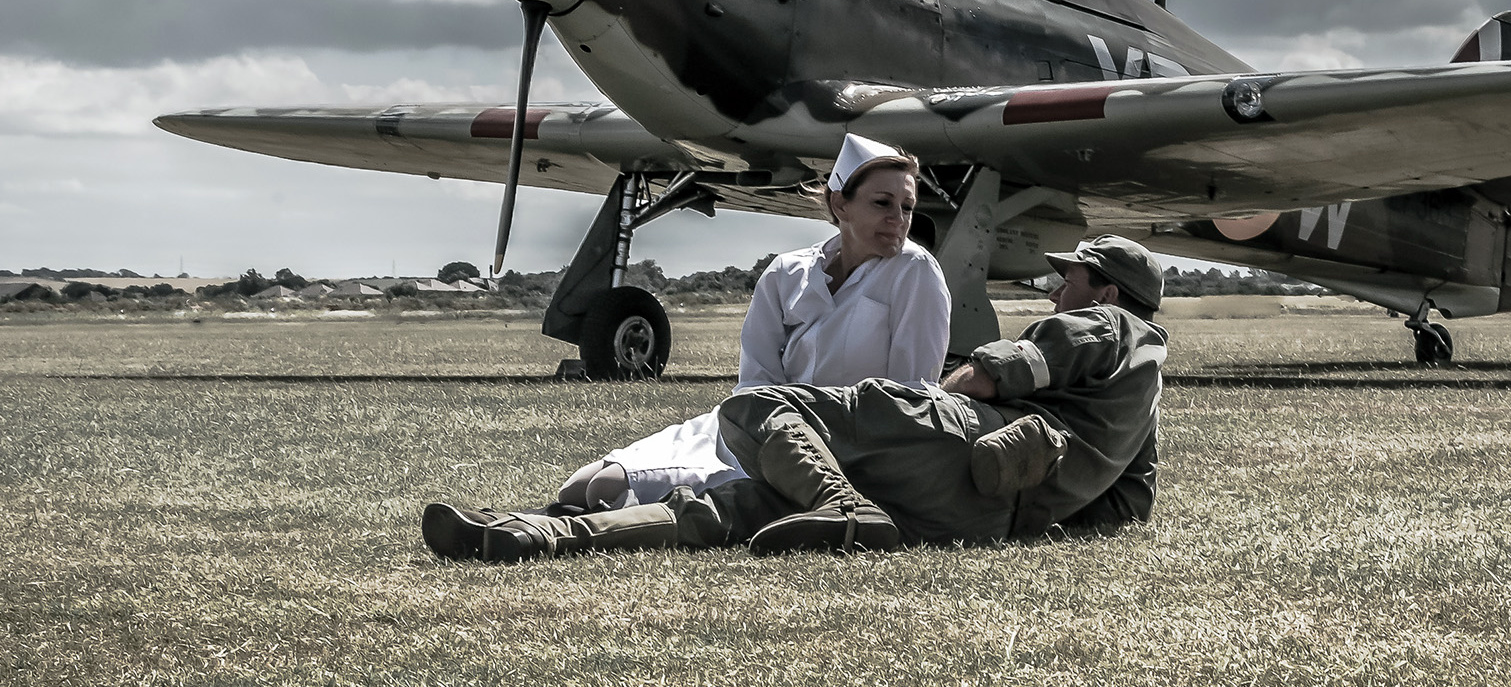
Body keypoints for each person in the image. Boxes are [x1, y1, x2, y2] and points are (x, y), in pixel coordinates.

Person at [422, 235, 1166, 561]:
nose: (1056, 291)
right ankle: (533, 535)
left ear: (1105, 293)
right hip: (975, 514)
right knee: (737, 511)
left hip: (956, 440)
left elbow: (994, 374)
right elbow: (1127, 507)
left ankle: (843, 508)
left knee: (752, 410)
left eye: (1070, 279)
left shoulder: (1107, 322)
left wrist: (935, 406)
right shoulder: (1145, 404)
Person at [548, 133, 950, 514]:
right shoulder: (787, 272)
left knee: (605, 489)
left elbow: (911, 398)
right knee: (576, 487)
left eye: (907, 207)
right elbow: (755, 381)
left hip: (834, 445)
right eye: (882, 203)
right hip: (751, 424)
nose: (898, 219)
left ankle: (643, 520)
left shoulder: (916, 272)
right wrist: (759, 429)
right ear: (840, 204)